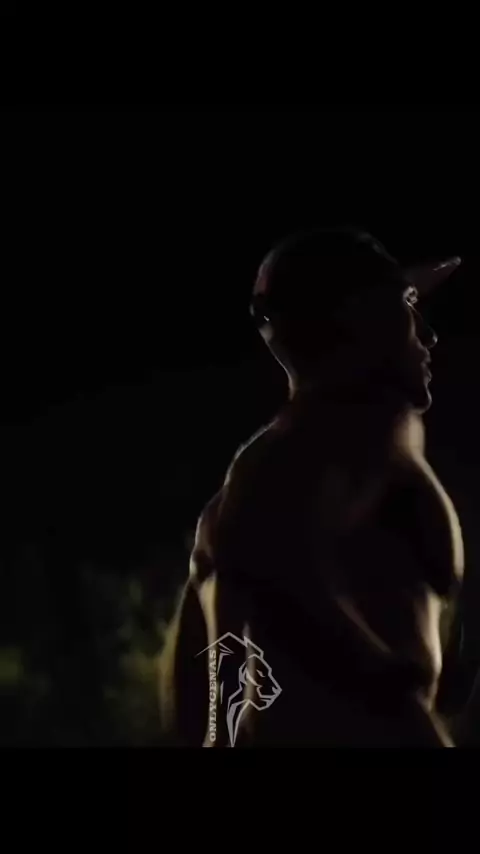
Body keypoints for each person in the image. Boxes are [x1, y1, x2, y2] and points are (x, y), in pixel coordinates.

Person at [159, 226, 465, 747]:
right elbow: (264, 564)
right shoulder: (340, 446)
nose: (427, 335)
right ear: (360, 319)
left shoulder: (253, 485)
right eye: (407, 306)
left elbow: (209, 690)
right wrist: (387, 685)